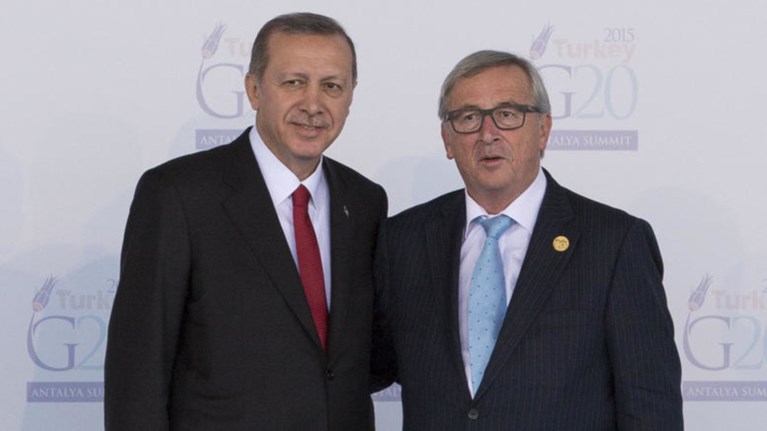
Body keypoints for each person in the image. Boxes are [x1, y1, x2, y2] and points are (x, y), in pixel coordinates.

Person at [371, 50, 683, 430]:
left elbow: (650, 407)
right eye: (468, 118)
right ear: (447, 139)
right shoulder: (402, 240)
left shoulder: (614, 243)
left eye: (507, 114)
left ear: (543, 130)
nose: (488, 134)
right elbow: (364, 366)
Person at [105, 12, 387, 430]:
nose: (313, 105)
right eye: (294, 82)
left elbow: (364, 357)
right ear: (254, 90)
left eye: (331, 86)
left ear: (350, 97)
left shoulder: (364, 202)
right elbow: (137, 371)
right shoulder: (178, 195)